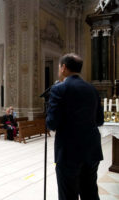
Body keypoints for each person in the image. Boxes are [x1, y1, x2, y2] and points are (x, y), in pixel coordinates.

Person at [46, 53, 104, 200]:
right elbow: (99, 120)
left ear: (63, 68)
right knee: (90, 192)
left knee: (68, 195)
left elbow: (52, 123)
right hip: (92, 149)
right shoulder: (92, 89)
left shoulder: (58, 89)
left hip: (68, 153)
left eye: (59, 67)